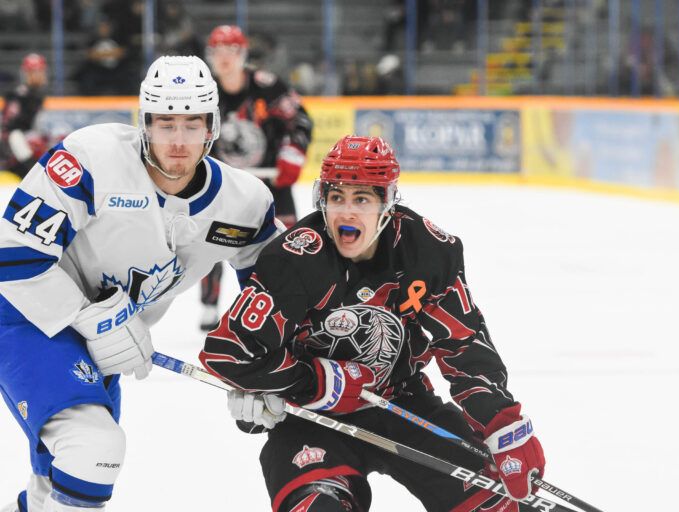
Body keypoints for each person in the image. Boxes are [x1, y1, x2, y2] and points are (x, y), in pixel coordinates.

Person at [199, 135, 546, 512]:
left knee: (501, 506)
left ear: (388, 203)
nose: (346, 213)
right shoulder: (295, 259)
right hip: (311, 419)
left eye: (361, 199)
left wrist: (502, 422)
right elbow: (228, 353)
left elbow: (462, 342)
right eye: (336, 198)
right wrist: (310, 384)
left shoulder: (427, 251)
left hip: (403, 403)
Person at [0, 55, 280, 512]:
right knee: (94, 450)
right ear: (143, 122)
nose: (178, 140)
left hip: (103, 346)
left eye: (193, 124)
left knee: (54, 487)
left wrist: (267, 373)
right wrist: (89, 317)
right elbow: (12, 254)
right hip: (27, 316)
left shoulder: (244, 204)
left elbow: (276, 295)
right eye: (164, 123)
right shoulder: (93, 156)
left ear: (213, 126)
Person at [198, 24, 313, 331]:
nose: (224, 58)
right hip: (225, 185)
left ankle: (291, 305)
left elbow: (301, 120)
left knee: (287, 246)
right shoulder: (204, 92)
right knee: (212, 243)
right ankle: (209, 304)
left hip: (273, 183)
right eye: (218, 51)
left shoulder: (267, 86)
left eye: (231, 51)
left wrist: (292, 153)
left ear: (243, 54)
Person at [1, 53, 49, 179]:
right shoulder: (19, 95)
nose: (39, 75)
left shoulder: (36, 95)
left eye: (40, 71)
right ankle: (33, 174)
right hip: (13, 142)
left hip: (27, 137)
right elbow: (10, 126)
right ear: (26, 73)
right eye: (34, 72)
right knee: (16, 136)